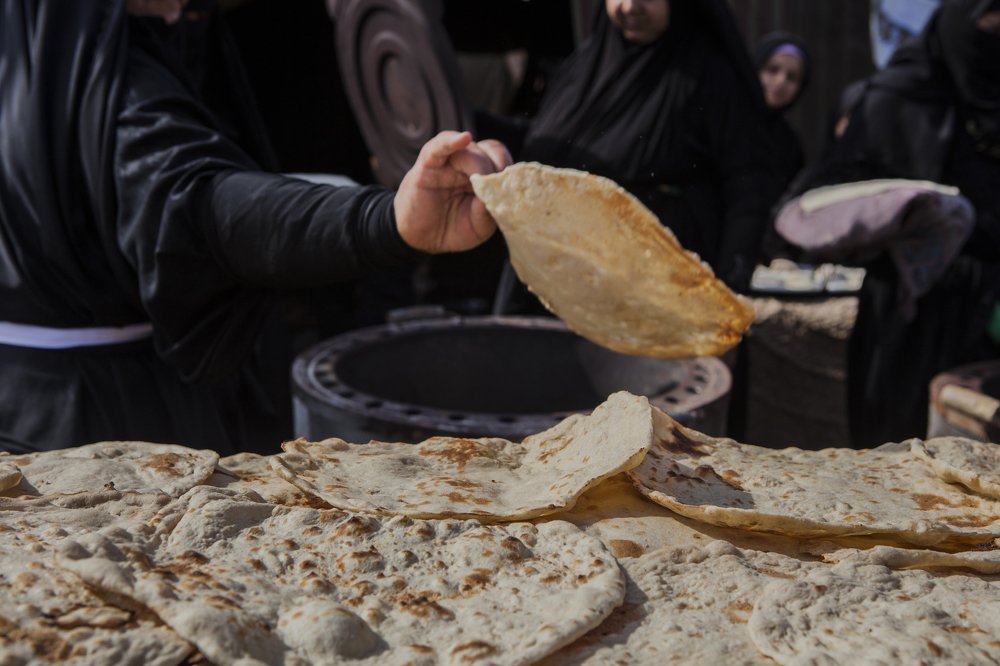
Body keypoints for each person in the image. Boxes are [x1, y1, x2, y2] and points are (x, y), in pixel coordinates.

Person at [0, 0, 511, 454]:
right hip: (101, 426)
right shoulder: (105, 88)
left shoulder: (29, 53)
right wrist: (389, 220)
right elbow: (204, 206)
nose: (182, 13)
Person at [776, 0, 1000, 447]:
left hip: (979, 321)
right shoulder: (893, 99)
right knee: (895, 454)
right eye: (986, 35)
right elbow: (819, 200)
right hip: (900, 316)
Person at [482, 0, 780, 292]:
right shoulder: (589, 63)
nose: (629, 6)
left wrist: (732, 275)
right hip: (565, 273)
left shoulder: (709, 75)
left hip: (659, 283)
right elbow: (547, 140)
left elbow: (748, 177)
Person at [755, 32, 811, 189]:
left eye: (792, 77)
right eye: (772, 70)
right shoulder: (728, 123)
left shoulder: (790, 145)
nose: (780, 81)